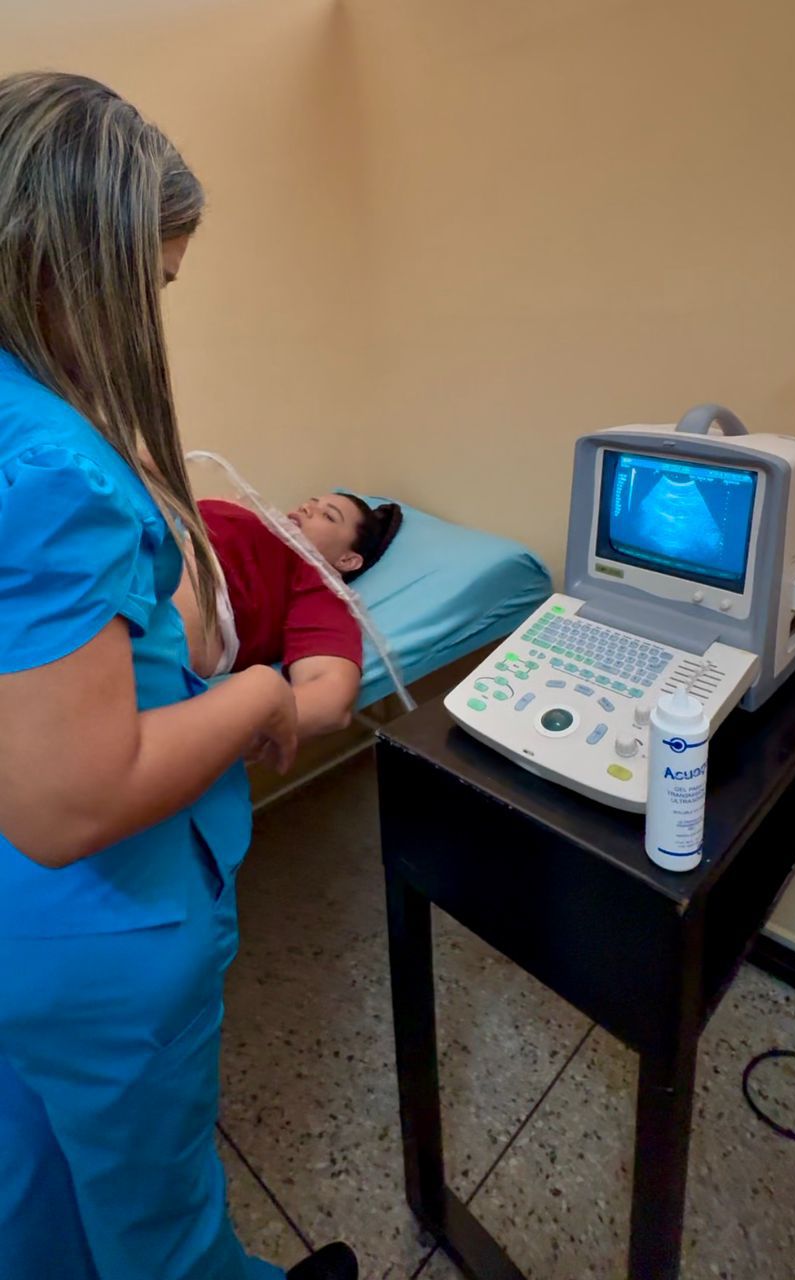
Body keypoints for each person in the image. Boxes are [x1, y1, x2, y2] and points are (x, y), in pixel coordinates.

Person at [0, 72, 358, 1280]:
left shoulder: (304, 573)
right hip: (100, 923)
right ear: (74, 265)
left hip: (23, 925)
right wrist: (257, 695)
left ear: (350, 550)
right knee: (159, 1219)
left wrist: (283, 659)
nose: (151, 318)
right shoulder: (64, 464)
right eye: (150, 285)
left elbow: (327, 669)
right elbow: (70, 799)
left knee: (33, 1184)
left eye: (339, 516)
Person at [173, 492, 402, 741]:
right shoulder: (248, 517)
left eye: (328, 516)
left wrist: (208, 737)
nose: (306, 508)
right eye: (310, 503)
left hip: (168, 608)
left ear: (347, 560)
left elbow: (330, 700)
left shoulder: (320, 590)